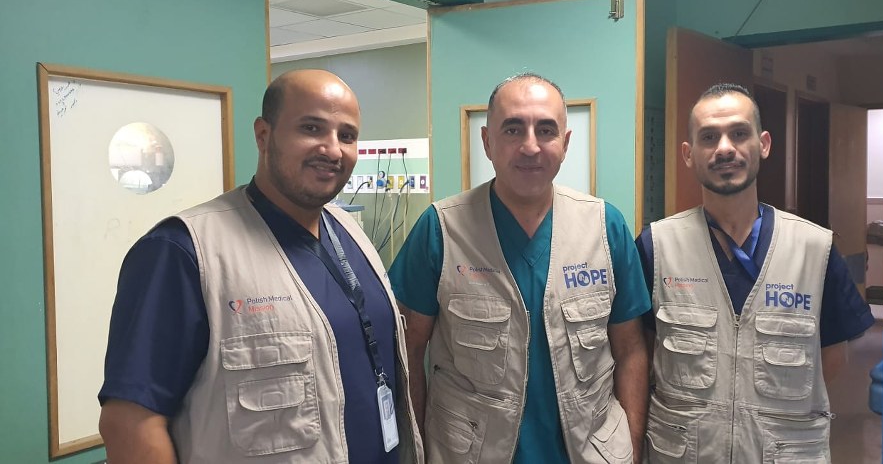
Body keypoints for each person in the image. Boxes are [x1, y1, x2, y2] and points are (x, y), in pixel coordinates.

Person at [97, 69, 424, 464]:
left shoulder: (350, 232)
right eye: (311, 128)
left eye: (347, 135)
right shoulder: (183, 252)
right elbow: (130, 424)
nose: (333, 149)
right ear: (264, 135)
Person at [390, 73, 650, 464]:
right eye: (513, 129)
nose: (530, 146)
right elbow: (409, 350)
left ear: (565, 143)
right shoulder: (441, 229)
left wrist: (632, 448)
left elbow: (631, 350)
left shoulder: (604, 227)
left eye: (546, 130)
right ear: (487, 141)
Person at [637, 83, 874, 463]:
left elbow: (831, 361)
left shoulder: (815, 249)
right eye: (708, 137)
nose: (724, 148)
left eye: (739, 133)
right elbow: (642, 354)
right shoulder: (656, 246)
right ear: (688, 154)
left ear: (763, 144)